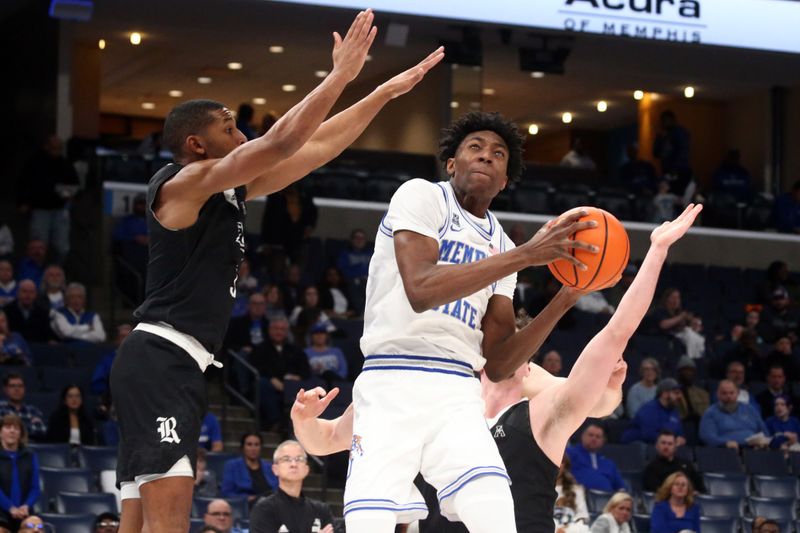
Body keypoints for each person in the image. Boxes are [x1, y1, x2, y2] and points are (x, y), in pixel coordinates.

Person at [107, 10, 445, 532]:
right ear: (197, 145)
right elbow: (279, 142)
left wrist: (381, 94)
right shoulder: (178, 185)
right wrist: (339, 76)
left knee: (137, 521)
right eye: (229, 127)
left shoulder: (227, 190)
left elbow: (313, 149)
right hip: (161, 359)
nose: (240, 133)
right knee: (168, 522)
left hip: (170, 363)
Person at [291, 203, 702, 531]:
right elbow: (325, 440)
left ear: (529, 360)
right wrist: (304, 419)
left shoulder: (543, 414)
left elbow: (616, 334)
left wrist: (657, 251)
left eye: (518, 349)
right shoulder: (426, 389)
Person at [250, 440, 334, 533]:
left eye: (299, 459)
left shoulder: (321, 510)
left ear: (306, 469)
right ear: (275, 469)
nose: (293, 464)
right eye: (286, 459)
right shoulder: (264, 509)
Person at [18, 136, 78, 263]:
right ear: (46, 147)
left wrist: (68, 196)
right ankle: (36, 272)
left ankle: (56, 271)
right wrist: (23, 202)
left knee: (62, 247)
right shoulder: (34, 163)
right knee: (38, 246)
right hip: (40, 209)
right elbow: (23, 183)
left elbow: (74, 187)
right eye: (54, 148)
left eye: (59, 149)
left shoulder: (66, 165)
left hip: (60, 209)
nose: (56, 152)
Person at [251, 318, 311, 430]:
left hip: (292, 386)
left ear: (287, 332)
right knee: (262, 383)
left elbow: (306, 371)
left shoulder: (295, 350)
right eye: (276, 329)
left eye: (282, 329)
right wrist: (272, 378)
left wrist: (297, 377)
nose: (279, 332)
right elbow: (257, 367)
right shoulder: (260, 348)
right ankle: (276, 421)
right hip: (270, 385)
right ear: (269, 330)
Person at [699, 380, 769, 450]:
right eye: (724, 393)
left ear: (738, 393)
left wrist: (763, 441)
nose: (728, 396)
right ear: (718, 394)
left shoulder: (749, 409)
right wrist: (725, 443)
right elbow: (707, 437)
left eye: (731, 393)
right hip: (727, 450)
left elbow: (764, 431)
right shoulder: (710, 412)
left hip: (753, 449)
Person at [0, 414, 40, 529]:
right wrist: (10, 508)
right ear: (0, 432)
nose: (12, 431)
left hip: (25, 511)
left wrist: (26, 506)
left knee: (35, 527)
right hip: (1, 511)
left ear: (20, 434)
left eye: (16, 428)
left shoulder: (30, 456)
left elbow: (35, 488)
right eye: (8, 427)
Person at [622, 378, 684, 444]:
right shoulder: (649, 409)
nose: (680, 396)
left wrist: (680, 439)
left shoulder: (674, 412)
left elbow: (679, 433)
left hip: (660, 447)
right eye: (676, 393)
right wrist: (673, 440)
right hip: (634, 447)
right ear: (665, 394)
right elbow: (648, 434)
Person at [567, 423, 627, 492]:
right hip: (579, 495)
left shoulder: (609, 463)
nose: (594, 438)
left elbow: (621, 488)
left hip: (606, 498)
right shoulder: (570, 453)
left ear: (603, 441)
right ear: (582, 436)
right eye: (590, 435)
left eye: (598, 437)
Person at [221, 433, 278, 503]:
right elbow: (226, 493)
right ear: (243, 447)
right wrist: (247, 498)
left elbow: (277, 490)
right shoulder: (232, 466)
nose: (253, 448)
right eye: (249, 444)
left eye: (256, 445)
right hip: (246, 505)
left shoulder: (270, 467)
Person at [652, 110, 691, 195]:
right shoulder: (662, 135)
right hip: (667, 170)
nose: (664, 123)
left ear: (673, 120)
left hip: (680, 170)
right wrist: (660, 138)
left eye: (666, 120)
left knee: (679, 195)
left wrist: (675, 168)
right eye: (663, 121)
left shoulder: (679, 132)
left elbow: (683, 150)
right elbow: (655, 153)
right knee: (667, 194)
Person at [336, 229, 373, 314]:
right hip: (354, 281)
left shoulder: (371, 253)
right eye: (357, 238)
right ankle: (361, 314)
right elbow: (344, 270)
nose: (359, 240)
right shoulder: (345, 254)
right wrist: (361, 270)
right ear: (352, 240)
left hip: (370, 280)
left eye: (362, 238)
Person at [0, 374, 46, 440]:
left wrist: (8, 429)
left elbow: (42, 430)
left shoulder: (33, 410)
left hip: (29, 447)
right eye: (12, 386)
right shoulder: (1, 408)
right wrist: (28, 425)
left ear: (24, 389)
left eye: (20, 386)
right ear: (5, 389)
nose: (17, 389)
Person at [554, 455, 590, 528]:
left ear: (565, 466)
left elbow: (582, 516)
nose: (554, 466)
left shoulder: (576, 490)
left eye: (559, 462)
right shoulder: (537, 489)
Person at [674, 355, 709, 425]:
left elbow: (707, 415)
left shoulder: (703, 394)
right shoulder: (672, 393)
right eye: (684, 370)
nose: (688, 373)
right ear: (679, 372)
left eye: (691, 370)